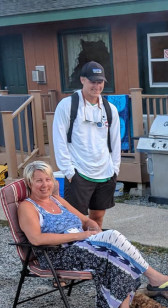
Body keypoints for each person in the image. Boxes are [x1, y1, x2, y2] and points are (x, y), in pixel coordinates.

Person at [17, 161, 168, 308]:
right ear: (29, 183)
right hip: (58, 254)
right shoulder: (27, 207)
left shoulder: (56, 200)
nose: (45, 185)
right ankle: (153, 277)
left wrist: (92, 226)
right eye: (39, 181)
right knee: (113, 238)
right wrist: (81, 235)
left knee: (117, 255)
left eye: (48, 179)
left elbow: (85, 219)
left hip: (82, 247)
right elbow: (36, 239)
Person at [52, 61, 121, 231]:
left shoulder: (109, 108)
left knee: (97, 217)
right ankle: (77, 252)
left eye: (100, 82)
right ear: (82, 80)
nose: (97, 86)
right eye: (92, 81)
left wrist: (115, 169)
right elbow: (59, 139)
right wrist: (68, 171)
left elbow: (115, 141)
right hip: (79, 171)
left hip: (105, 172)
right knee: (77, 219)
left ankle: (93, 251)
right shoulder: (67, 105)